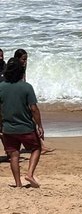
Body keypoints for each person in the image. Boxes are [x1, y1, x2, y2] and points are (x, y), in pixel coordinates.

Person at [0, 58, 44, 188]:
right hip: (26, 127)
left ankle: (18, 183)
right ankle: (29, 174)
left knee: (14, 154)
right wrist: (40, 125)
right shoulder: (26, 87)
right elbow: (34, 108)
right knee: (36, 148)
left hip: (8, 128)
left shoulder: (1, 87)